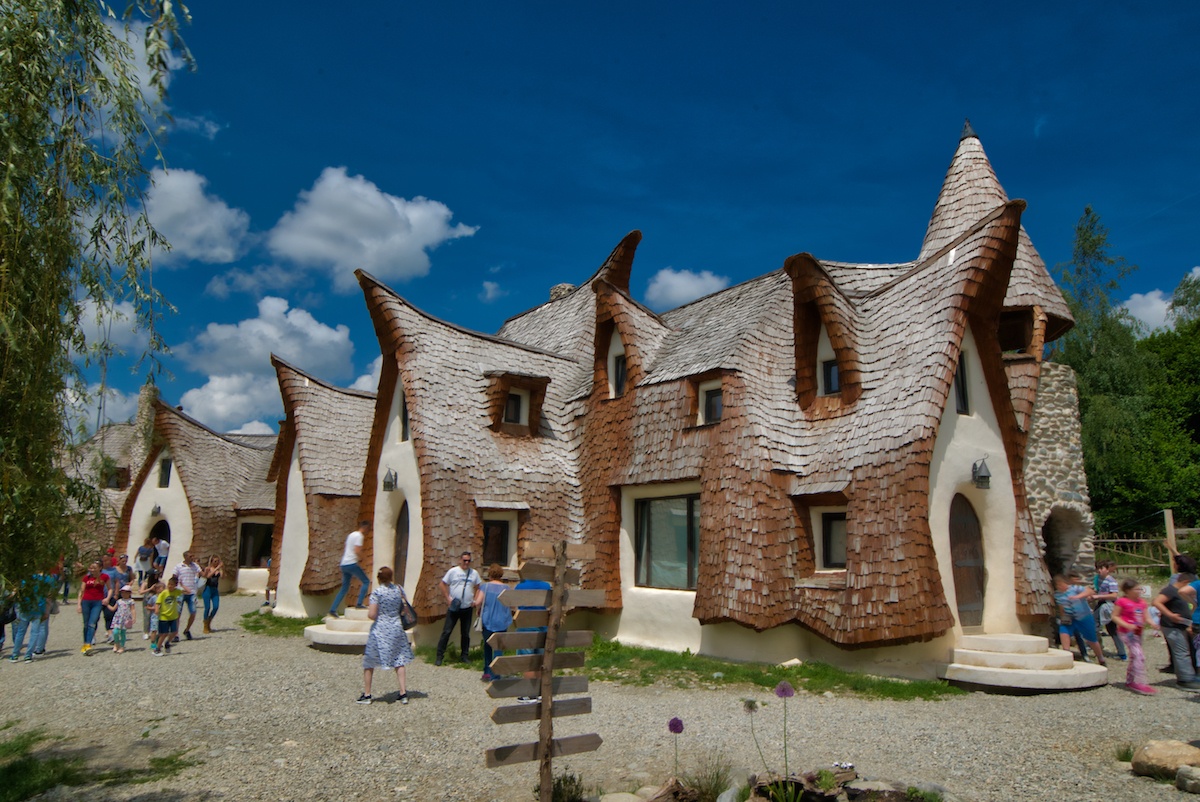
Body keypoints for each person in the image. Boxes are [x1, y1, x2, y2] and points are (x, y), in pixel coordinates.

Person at [357, 566, 415, 705]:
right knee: (399, 659)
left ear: (378, 578)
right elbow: (404, 605)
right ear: (391, 577)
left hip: (380, 630)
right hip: (396, 628)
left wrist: (379, 615)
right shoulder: (399, 589)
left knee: (369, 661)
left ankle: (367, 694)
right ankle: (403, 693)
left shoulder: (377, 593)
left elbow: (371, 614)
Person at [1153, 571, 1199, 690]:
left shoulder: (1181, 593)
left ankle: (1190, 675)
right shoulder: (1170, 590)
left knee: (1188, 650)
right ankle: (1185, 679)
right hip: (1172, 626)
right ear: (1186, 582)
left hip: (1182, 625)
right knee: (1181, 652)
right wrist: (1170, 615)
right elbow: (1156, 602)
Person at [435, 551, 481, 666]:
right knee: (447, 631)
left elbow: (479, 587)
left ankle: (464, 655)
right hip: (454, 607)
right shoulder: (453, 571)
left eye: (468, 561)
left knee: (465, 633)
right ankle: (439, 656)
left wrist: (475, 600)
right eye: (464, 560)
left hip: (467, 608)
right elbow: (442, 584)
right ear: (460, 560)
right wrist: (447, 598)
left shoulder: (473, 573)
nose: (466, 563)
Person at [1114, 578, 1158, 694]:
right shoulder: (1122, 601)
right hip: (1126, 632)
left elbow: (1146, 616)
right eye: (1136, 589)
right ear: (1128, 591)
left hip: (1138, 632)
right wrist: (1127, 625)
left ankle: (1130, 680)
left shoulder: (1142, 602)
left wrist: (1152, 623)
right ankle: (1140, 682)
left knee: (1134, 656)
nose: (1139, 591)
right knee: (1139, 656)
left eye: (1140, 589)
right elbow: (1115, 616)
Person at [513, 575, 551, 704]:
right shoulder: (546, 586)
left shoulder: (520, 586)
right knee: (539, 660)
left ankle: (530, 693)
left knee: (527, 661)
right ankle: (540, 692)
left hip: (526, 626)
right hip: (542, 626)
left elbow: (515, 605)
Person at [1053, 574, 1106, 666]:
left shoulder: (1074, 588)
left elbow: (1090, 591)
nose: (1060, 586)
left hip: (1084, 617)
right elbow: (1061, 607)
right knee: (1064, 633)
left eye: (1061, 584)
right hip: (1069, 618)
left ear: (1065, 583)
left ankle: (1101, 658)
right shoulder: (1057, 594)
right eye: (1058, 585)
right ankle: (1066, 658)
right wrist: (1063, 617)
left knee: (1091, 639)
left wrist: (1078, 596)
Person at [474, 563, 513, 681]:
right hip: (502, 621)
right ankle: (496, 674)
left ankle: (487, 671)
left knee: (487, 647)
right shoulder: (506, 588)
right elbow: (511, 605)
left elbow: (478, 602)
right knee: (498, 648)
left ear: (490, 574)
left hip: (487, 621)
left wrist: (478, 611)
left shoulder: (485, 587)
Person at [7, 573, 54, 663]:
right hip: (39, 608)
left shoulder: (25, 578)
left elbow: (18, 593)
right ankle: (28, 655)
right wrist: (47, 610)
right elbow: (48, 596)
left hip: (25, 608)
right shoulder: (47, 579)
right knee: (34, 632)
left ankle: (15, 654)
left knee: (21, 631)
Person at [329, 521, 371, 617]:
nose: (368, 530)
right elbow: (357, 550)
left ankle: (333, 609)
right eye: (368, 528)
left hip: (344, 564)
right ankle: (359, 603)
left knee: (344, 588)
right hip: (352, 563)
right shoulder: (360, 536)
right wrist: (363, 558)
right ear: (365, 527)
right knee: (366, 581)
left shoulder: (351, 535)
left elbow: (346, 546)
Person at [1092, 560, 1126, 660]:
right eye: (1098, 568)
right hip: (1101, 603)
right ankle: (1121, 653)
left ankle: (1094, 648)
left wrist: (1098, 596)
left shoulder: (1111, 581)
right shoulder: (1098, 579)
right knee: (1111, 629)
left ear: (1107, 570)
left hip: (1109, 605)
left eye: (1101, 568)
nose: (1099, 571)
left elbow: (1114, 595)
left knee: (1095, 625)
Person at [171, 551, 202, 640]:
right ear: (185, 557)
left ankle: (187, 629)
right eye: (190, 556)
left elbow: (203, 574)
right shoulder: (179, 566)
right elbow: (174, 577)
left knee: (193, 612)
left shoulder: (195, 566)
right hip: (180, 592)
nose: (192, 557)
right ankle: (175, 633)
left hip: (191, 592)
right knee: (178, 614)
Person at [78, 562, 107, 654]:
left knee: (92, 623)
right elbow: (81, 591)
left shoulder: (104, 577)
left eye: (94, 568)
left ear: (99, 568)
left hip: (97, 602)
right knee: (86, 624)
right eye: (91, 568)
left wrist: (108, 598)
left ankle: (88, 644)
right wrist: (79, 604)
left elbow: (110, 588)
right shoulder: (86, 578)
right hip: (86, 601)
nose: (92, 570)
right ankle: (85, 643)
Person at [154, 575, 183, 656]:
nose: (170, 586)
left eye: (172, 585)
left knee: (174, 632)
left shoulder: (176, 592)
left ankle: (167, 642)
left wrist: (182, 585)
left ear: (175, 585)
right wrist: (157, 609)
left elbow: (188, 591)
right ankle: (157, 649)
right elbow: (157, 602)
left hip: (173, 616)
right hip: (164, 616)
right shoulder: (163, 593)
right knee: (164, 634)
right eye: (169, 584)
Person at [106, 584, 136, 654]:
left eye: (125, 592)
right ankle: (116, 643)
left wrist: (134, 617)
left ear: (129, 593)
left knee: (123, 633)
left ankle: (122, 646)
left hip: (125, 619)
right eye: (122, 592)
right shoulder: (119, 601)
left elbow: (133, 609)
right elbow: (113, 608)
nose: (123, 594)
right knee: (115, 632)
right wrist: (107, 605)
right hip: (118, 618)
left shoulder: (131, 601)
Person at [201, 555, 223, 633]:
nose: (216, 563)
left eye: (218, 561)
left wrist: (221, 568)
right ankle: (205, 625)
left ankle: (209, 621)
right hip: (208, 589)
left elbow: (223, 576)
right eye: (215, 561)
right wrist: (216, 568)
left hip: (215, 589)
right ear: (211, 562)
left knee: (216, 606)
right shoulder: (208, 569)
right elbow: (208, 576)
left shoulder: (218, 570)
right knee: (207, 607)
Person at [139, 571, 161, 642]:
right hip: (147, 600)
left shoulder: (159, 583)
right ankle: (146, 632)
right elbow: (141, 592)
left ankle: (154, 631)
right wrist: (150, 589)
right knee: (147, 617)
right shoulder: (145, 583)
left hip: (156, 600)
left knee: (156, 616)